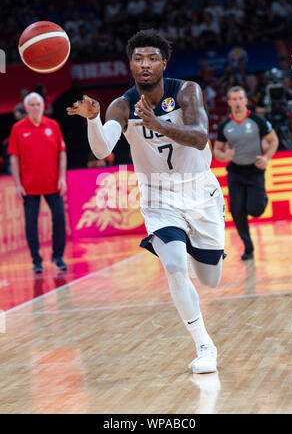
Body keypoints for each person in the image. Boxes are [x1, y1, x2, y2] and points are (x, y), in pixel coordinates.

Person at [67, 29, 226, 374]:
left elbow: (200, 138)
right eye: (138, 58)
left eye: (152, 58)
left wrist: (159, 125)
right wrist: (94, 119)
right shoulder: (122, 105)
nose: (145, 64)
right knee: (173, 265)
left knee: (210, 278)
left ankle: (200, 248)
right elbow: (102, 148)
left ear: (163, 63)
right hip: (158, 196)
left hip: (199, 191)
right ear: (130, 64)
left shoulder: (186, 90)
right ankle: (204, 345)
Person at [213, 86, 279, 260]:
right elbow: (216, 151)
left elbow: (273, 141)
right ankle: (248, 248)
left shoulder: (258, 121)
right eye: (233, 99)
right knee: (237, 211)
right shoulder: (224, 125)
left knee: (255, 210)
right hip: (235, 171)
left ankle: (262, 199)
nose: (237, 102)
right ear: (229, 102)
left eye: (240, 98)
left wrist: (267, 159)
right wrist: (224, 155)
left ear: (245, 100)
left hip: (255, 169)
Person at [8, 92, 68, 274]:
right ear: (26, 108)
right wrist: (18, 184)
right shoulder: (18, 128)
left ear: (43, 106)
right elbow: (14, 158)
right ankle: (36, 261)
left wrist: (62, 177)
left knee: (59, 218)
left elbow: (62, 153)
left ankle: (57, 257)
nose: (35, 107)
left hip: (52, 183)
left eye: (38, 104)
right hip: (29, 186)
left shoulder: (53, 125)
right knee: (31, 224)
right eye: (32, 105)